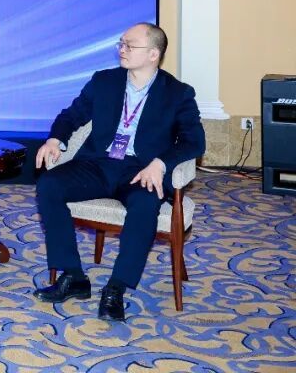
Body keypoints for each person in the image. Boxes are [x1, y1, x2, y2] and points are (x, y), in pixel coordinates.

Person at [32, 22, 205, 322]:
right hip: (99, 163)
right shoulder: (104, 81)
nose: (122, 50)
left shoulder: (177, 93)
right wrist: (54, 140)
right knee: (49, 185)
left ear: (153, 54)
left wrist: (161, 163)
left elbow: (195, 141)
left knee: (145, 204)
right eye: (121, 44)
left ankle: (116, 288)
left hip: (141, 170)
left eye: (130, 45)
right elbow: (71, 115)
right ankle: (73, 276)